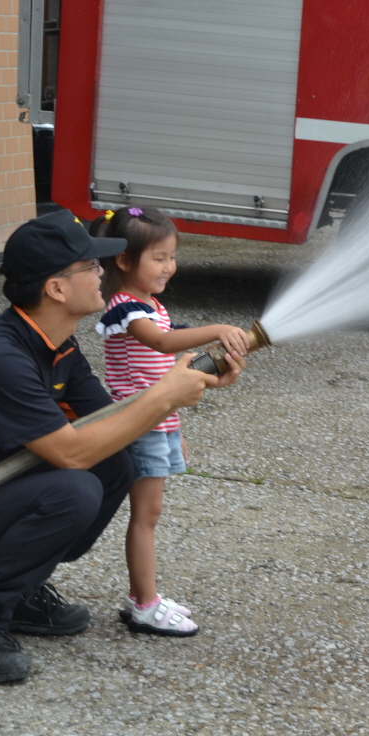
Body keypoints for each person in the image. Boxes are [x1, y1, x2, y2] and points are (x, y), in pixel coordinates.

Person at [0, 210, 240, 684]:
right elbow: (72, 454)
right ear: (55, 289)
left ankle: (14, 591)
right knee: (74, 488)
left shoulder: (58, 348)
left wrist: (193, 381)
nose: (102, 273)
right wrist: (164, 396)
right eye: (90, 266)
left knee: (117, 462)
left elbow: (115, 424)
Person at [90, 206, 249, 636]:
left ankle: (141, 597)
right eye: (158, 257)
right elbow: (162, 344)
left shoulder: (151, 304)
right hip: (138, 425)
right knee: (146, 516)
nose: (169, 266)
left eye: (172, 257)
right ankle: (145, 604)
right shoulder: (126, 308)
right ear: (124, 261)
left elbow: (166, 374)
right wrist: (216, 328)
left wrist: (174, 430)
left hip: (156, 422)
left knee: (150, 514)